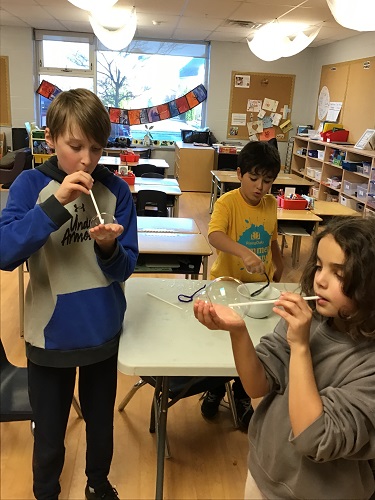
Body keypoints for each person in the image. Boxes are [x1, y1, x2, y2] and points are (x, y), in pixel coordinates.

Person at [0, 89, 139, 500]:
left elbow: (126, 267)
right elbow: (5, 252)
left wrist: (109, 249)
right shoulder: (30, 185)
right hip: (49, 337)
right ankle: (46, 493)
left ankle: (98, 484)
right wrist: (56, 204)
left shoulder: (116, 192)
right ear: (51, 138)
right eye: (75, 146)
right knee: (48, 435)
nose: (87, 160)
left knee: (101, 427)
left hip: (102, 334)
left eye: (96, 149)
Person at [194, 216, 375, 500]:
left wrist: (300, 346)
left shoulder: (367, 362)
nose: (320, 280)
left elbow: (314, 439)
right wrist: (238, 332)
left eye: (339, 274)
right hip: (264, 473)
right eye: (319, 266)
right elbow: (257, 386)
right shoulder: (311, 320)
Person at [200, 140, 284, 431]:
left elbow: (272, 237)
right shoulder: (227, 202)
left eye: (268, 181)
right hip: (228, 289)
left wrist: (278, 260)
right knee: (222, 344)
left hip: (258, 290)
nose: (261, 186)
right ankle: (214, 388)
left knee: (252, 345)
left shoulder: (271, 204)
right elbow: (214, 236)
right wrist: (243, 252)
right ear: (239, 174)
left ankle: (242, 395)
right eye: (254, 178)